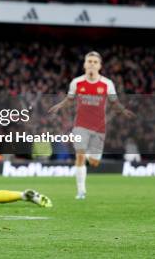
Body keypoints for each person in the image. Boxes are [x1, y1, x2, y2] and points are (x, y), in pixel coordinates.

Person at [49, 51, 134, 200]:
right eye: (89, 61)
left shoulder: (107, 84)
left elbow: (114, 102)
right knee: (80, 156)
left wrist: (123, 110)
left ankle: (88, 156)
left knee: (94, 162)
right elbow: (70, 99)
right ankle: (81, 191)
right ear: (84, 64)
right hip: (80, 126)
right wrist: (59, 106)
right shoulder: (76, 82)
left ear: (100, 66)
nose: (92, 64)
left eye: (95, 62)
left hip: (99, 128)